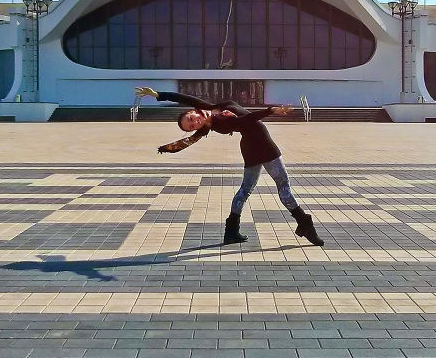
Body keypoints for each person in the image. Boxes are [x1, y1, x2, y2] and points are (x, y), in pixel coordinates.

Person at [134, 86, 324, 247]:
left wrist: (158, 95)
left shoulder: (208, 108)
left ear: (193, 112)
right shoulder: (219, 124)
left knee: (245, 190)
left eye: (191, 119)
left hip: (251, 146)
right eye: (191, 127)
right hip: (263, 146)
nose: (194, 123)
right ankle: (305, 224)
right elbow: (244, 121)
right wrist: (270, 111)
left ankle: (231, 232)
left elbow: (183, 97)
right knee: (283, 187)